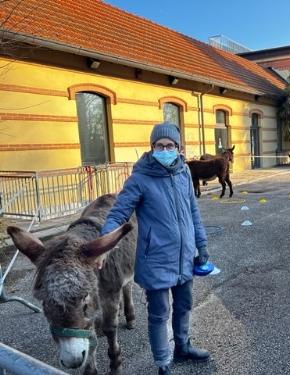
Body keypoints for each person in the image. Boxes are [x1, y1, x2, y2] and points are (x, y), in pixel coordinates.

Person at [101, 122, 210, 375]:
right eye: (159, 146)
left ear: (178, 147)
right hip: (155, 258)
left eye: (170, 145)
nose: (165, 149)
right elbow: (118, 214)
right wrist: (104, 244)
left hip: (184, 255)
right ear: (152, 148)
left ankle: (182, 346)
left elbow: (193, 212)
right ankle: (163, 363)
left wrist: (201, 244)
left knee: (184, 305)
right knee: (159, 314)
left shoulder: (183, 173)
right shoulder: (139, 179)